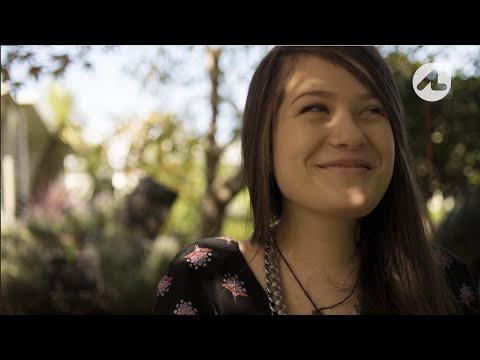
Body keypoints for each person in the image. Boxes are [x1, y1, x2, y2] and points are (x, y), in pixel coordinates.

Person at [152, 46, 479, 315]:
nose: (351, 135)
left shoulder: (446, 279)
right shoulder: (202, 275)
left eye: (372, 110)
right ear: (264, 138)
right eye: (316, 107)